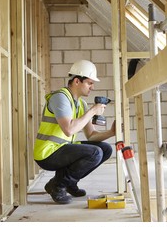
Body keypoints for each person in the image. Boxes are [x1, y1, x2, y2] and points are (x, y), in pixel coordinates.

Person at [33, 59, 115, 204]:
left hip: (62, 149)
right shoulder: (60, 97)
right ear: (77, 81)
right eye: (90, 83)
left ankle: (69, 183)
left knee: (105, 149)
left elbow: (91, 136)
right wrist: (92, 111)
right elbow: (69, 130)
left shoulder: (80, 103)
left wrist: (111, 132)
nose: (92, 87)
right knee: (94, 153)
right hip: (47, 153)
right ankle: (58, 185)